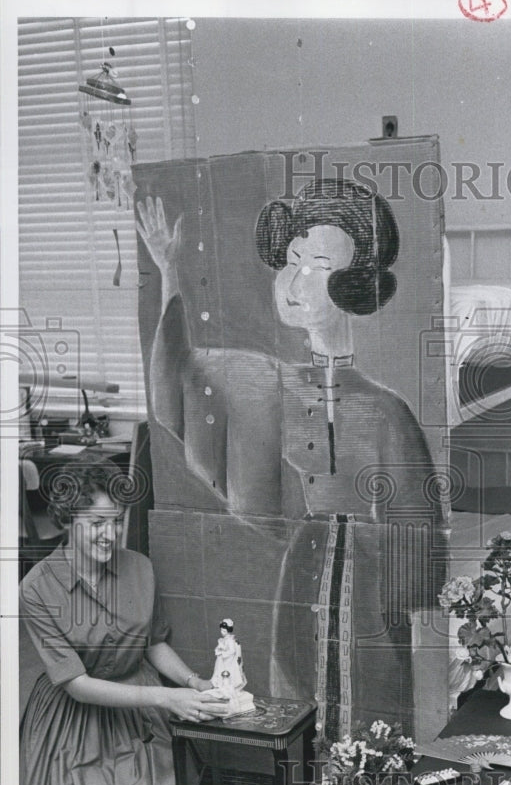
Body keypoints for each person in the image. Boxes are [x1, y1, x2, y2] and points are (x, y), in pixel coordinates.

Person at [136, 180, 445, 742]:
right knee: (296, 693)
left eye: (320, 264)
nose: (296, 280)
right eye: (292, 260)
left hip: (369, 595)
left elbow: (417, 547)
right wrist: (170, 271)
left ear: (355, 284)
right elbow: (181, 375)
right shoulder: (265, 381)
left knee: (369, 707)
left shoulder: (386, 411)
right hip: (301, 576)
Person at [19, 457, 230, 785]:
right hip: (74, 717)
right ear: (66, 521)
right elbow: (76, 684)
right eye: (96, 523)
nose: (110, 535)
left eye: (116, 522)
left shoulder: (140, 568)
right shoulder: (36, 589)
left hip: (139, 709)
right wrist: (165, 697)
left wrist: (195, 683)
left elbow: (153, 644)